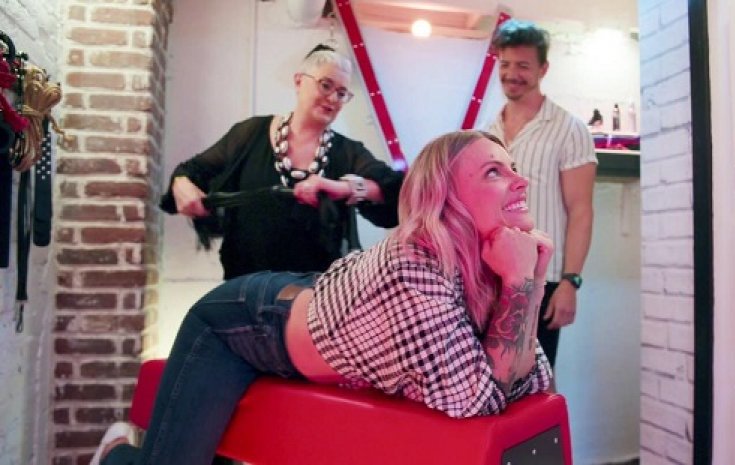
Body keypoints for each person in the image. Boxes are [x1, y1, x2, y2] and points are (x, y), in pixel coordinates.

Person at [90, 130, 554, 465]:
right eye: (495, 172)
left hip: (313, 304)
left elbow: (534, 380)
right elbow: (478, 399)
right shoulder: (414, 269)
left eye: (513, 167)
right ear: (445, 198)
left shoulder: (484, 263)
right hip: (239, 323)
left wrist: (530, 277)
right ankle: (116, 453)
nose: (521, 181)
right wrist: (521, 282)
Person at [160, 44, 403, 280]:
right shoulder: (249, 133)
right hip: (245, 288)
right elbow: (190, 172)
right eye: (325, 85)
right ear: (299, 81)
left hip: (316, 294)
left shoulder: (348, 152)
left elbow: (395, 189)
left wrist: (344, 188)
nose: (333, 98)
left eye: (341, 93)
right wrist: (182, 185)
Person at [487, 19, 597, 368]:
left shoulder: (569, 129)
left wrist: (570, 282)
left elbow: (581, 211)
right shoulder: (487, 130)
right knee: (488, 378)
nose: (511, 74)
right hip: (488, 276)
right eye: (505, 64)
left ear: (543, 69)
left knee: (535, 377)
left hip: (541, 280)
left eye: (523, 65)